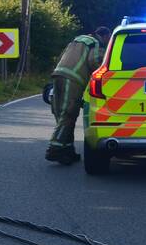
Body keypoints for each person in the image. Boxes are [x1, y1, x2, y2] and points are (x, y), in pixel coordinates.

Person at [46, 26, 111, 165]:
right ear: (105, 36)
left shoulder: (77, 40)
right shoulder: (95, 43)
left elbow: (62, 56)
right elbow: (95, 61)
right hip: (73, 79)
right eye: (108, 38)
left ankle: (68, 149)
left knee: (61, 113)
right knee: (68, 114)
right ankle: (55, 148)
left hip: (58, 75)